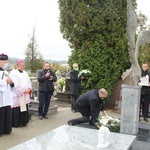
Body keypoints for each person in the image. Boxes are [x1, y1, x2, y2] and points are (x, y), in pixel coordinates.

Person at [9, 59, 31, 127]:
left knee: (24, 108)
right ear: (18, 65)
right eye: (22, 65)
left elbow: (29, 81)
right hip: (17, 94)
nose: (24, 66)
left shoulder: (25, 72)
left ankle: (23, 122)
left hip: (25, 94)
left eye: (24, 65)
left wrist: (29, 89)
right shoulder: (13, 72)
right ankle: (16, 123)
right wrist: (23, 91)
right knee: (17, 108)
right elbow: (15, 84)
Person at [0, 53, 14, 136]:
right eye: (5, 62)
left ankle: (6, 129)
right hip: (1, 95)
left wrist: (11, 82)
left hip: (6, 95)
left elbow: (10, 82)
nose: (6, 64)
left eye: (6, 62)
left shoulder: (5, 71)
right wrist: (5, 81)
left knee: (6, 111)